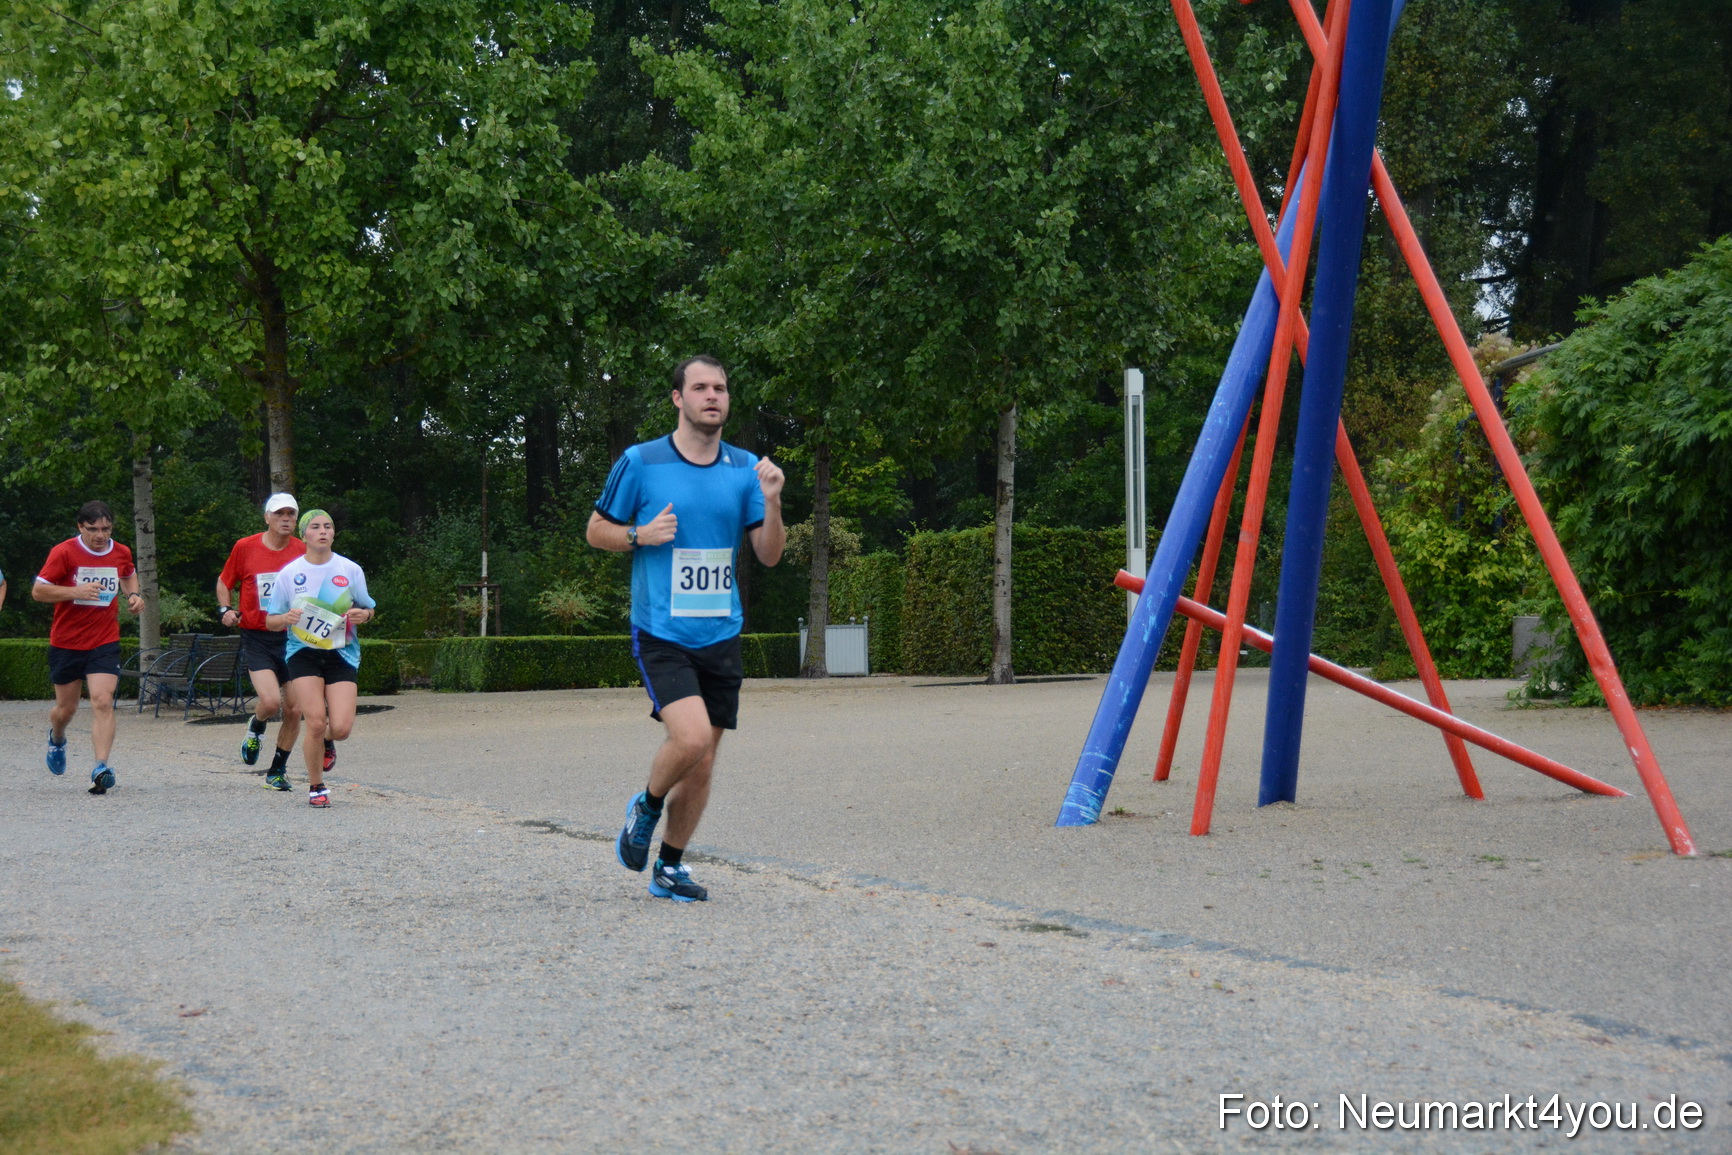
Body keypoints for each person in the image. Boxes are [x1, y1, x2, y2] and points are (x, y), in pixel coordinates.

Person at [588, 355, 785, 902]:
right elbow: (595, 528)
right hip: (662, 632)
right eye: (700, 387)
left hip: (721, 632)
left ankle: (670, 866)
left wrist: (772, 503)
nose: (712, 396)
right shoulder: (642, 461)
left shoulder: (747, 469)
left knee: (703, 762)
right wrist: (638, 536)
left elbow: (768, 556)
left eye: (720, 388)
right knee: (691, 738)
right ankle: (646, 807)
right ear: (678, 398)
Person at [263, 509, 376, 809]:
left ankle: (328, 740)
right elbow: (270, 621)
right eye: (315, 527)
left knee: (340, 728)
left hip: (342, 653)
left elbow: (368, 608)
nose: (323, 531)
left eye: (328, 526)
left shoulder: (350, 569)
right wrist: (286, 617)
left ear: (334, 534)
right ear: (304, 536)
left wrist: (362, 615)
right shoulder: (289, 574)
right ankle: (316, 786)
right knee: (314, 721)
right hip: (303, 654)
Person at [32, 501, 141, 795]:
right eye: (93, 529)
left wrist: (133, 595)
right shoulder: (64, 552)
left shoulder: (120, 551)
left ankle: (100, 767)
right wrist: (74, 591)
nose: (100, 535)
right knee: (65, 709)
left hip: (104, 640)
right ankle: (57, 738)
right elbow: (38, 590)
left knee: (103, 701)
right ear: (80, 527)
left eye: (106, 529)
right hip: (67, 642)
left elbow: (128, 573)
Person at [217, 493, 309, 790]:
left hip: (294, 638)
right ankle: (256, 727)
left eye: (291, 514)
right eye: (279, 513)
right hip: (257, 635)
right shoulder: (245, 547)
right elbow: (224, 581)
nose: (286, 519)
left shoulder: (303, 550)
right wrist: (225, 609)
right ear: (267, 517)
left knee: (295, 709)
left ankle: (276, 771)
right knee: (270, 702)